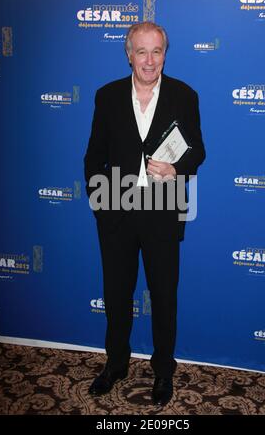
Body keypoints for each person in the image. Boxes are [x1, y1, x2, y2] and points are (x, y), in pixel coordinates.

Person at [84, 21, 205, 406]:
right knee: (116, 295)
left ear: (165, 54)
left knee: (164, 296)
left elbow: (197, 150)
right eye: (142, 51)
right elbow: (92, 157)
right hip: (116, 213)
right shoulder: (107, 96)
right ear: (128, 54)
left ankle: (163, 372)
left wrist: (177, 169)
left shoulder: (185, 95)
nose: (150, 60)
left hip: (162, 211)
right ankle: (116, 364)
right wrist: (102, 206)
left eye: (157, 51)